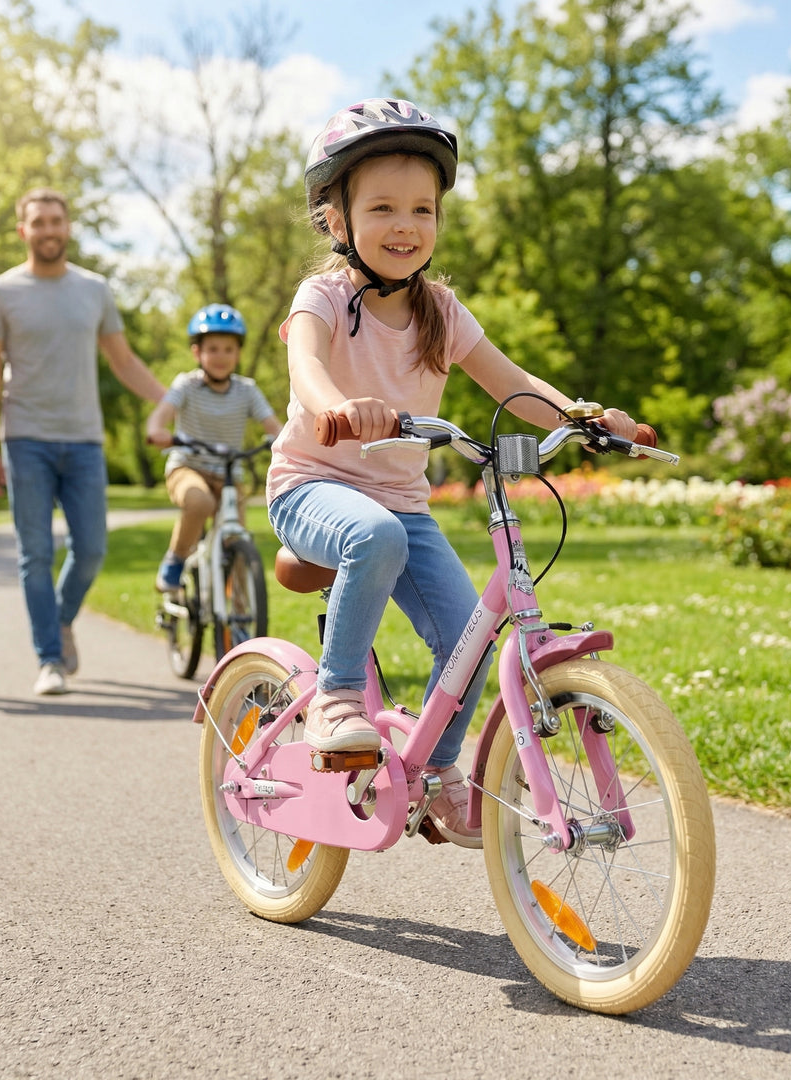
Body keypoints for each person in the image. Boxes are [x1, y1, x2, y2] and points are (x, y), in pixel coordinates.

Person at [266, 98, 639, 848]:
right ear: (337, 222)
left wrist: (581, 418)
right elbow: (304, 362)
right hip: (313, 488)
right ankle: (334, 700)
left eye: (421, 210)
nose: (405, 226)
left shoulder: (441, 310)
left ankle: (436, 774)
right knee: (373, 536)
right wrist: (340, 404)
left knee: (468, 631)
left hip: (402, 504)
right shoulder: (326, 298)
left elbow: (511, 383)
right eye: (381, 208)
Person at [0, 187, 166, 696]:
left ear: (67, 227)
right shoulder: (0, 292)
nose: (48, 230)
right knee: (35, 553)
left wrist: (170, 401)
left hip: (83, 439)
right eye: (37, 222)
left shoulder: (94, 289)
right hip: (25, 438)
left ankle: (59, 621)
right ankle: (50, 658)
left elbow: (123, 361)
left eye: (55, 221)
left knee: (91, 551)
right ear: (24, 231)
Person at [145, 303, 282, 591]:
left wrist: (286, 440)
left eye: (228, 349)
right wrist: (157, 430)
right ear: (197, 352)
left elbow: (274, 426)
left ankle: (242, 618)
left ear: (238, 353)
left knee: (238, 540)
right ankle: (176, 558)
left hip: (229, 474)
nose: (221, 356)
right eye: (213, 349)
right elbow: (161, 415)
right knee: (199, 502)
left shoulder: (247, 390)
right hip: (188, 467)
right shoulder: (186, 385)